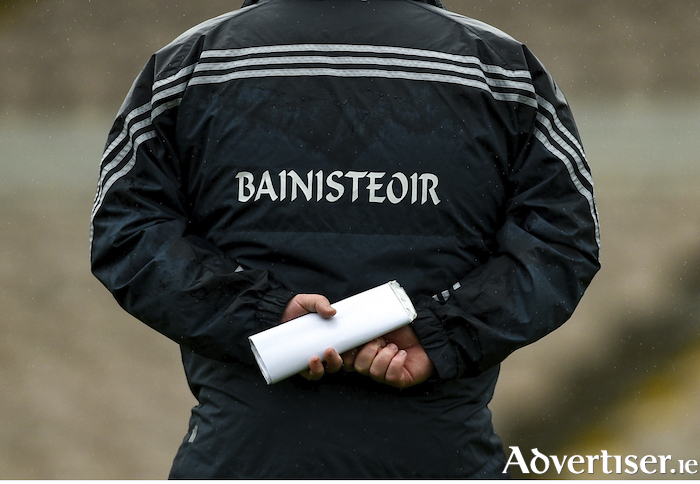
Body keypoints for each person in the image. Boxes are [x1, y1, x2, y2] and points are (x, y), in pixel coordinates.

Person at [90, 0, 600, 478]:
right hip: (442, 458)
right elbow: (562, 243)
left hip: (240, 458)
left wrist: (268, 318)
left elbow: (126, 234)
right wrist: (440, 333)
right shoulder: (502, 70)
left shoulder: (189, 66)